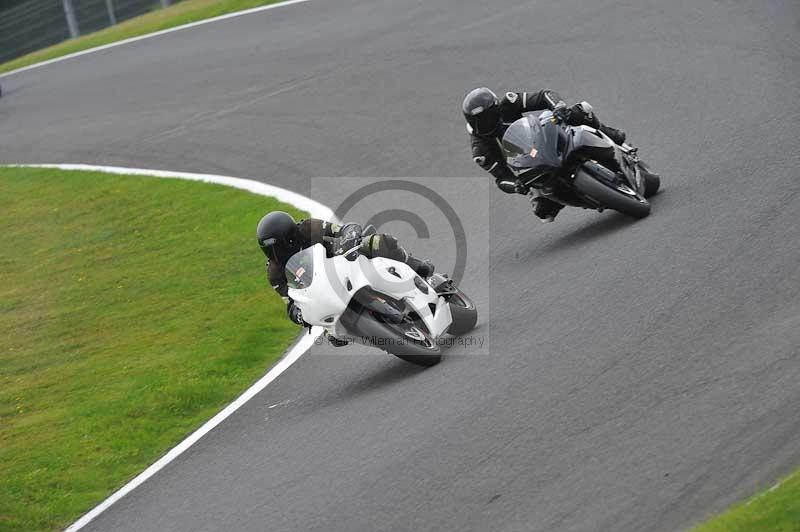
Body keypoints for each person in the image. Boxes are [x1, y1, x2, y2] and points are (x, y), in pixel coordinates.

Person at [463, 87, 628, 222]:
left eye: (490, 116)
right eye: (482, 121)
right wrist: (516, 185)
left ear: (497, 108)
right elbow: (501, 178)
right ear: (472, 122)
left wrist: (558, 107)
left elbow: (543, 96)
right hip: (529, 166)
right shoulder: (481, 150)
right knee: (543, 211)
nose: (488, 122)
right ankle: (592, 197)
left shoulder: (509, 102)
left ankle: (610, 135)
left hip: (541, 138)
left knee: (578, 112)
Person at [256, 211, 434, 333]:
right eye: (269, 251)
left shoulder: (310, 228)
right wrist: (299, 315)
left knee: (378, 242)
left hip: (345, 260)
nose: (275, 254)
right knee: (332, 334)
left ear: (291, 235)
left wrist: (349, 239)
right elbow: (291, 301)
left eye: (278, 247)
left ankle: (414, 265)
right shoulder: (275, 273)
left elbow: (344, 229)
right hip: (324, 292)